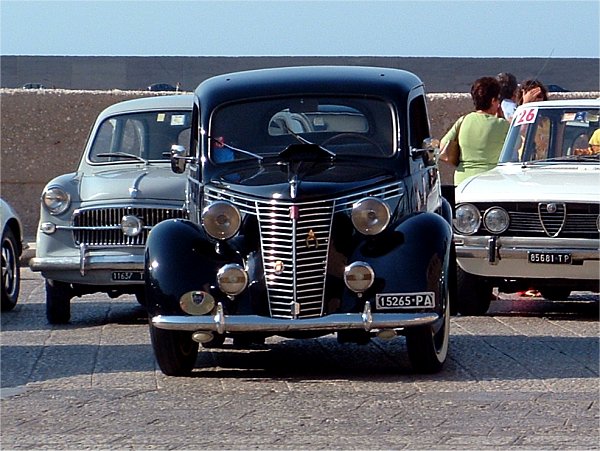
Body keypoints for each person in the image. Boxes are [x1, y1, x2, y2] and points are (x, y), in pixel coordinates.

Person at [440, 76, 510, 186]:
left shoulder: (463, 120)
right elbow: (517, 144)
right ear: (493, 101)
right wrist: (503, 118)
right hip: (492, 180)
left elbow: (443, 145)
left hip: (463, 181)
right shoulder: (502, 124)